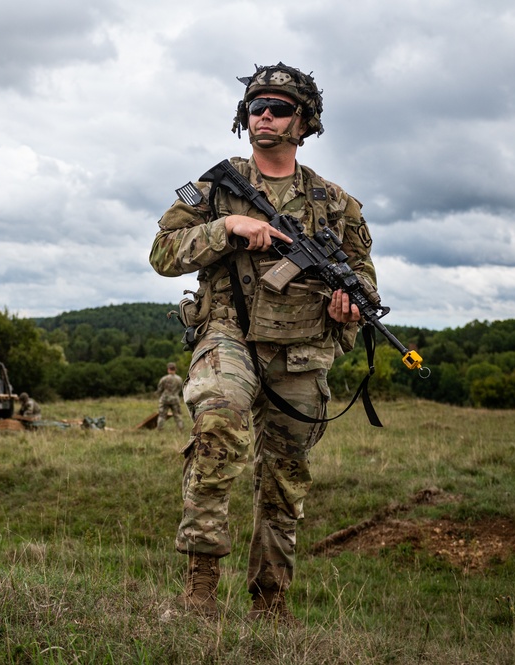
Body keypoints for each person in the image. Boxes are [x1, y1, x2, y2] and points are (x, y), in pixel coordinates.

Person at [149, 63, 377, 623]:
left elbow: (365, 278)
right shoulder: (215, 186)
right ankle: (200, 587)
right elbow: (162, 253)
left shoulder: (335, 203)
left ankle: (271, 601)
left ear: (305, 121)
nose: (265, 117)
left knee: (285, 474)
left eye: (279, 108)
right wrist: (226, 229)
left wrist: (350, 303)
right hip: (228, 332)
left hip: (301, 350)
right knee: (218, 425)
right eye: (256, 108)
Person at [156, 362, 185, 431]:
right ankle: (181, 429)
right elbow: (180, 389)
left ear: (168, 369)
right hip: (175, 399)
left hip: (165, 399)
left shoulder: (164, 378)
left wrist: (160, 395)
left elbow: (159, 389)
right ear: (175, 369)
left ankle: (160, 429)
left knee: (162, 415)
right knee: (177, 415)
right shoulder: (179, 379)